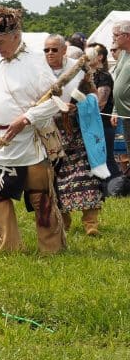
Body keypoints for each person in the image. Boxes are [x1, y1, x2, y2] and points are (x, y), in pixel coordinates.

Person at [0, 6, 65, 254]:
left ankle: (51, 249)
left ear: (16, 36)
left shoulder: (35, 62)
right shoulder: (0, 62)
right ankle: (9, 246)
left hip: (29, 141)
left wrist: (25, 118)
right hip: (2, 142)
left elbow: (54, 102)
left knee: (40, 197)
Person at [44, 35, 105, 236]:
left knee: (86, 175)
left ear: (64, 50)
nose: (50, 53)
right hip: (52, 132)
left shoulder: (79, 69)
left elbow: (95, 96)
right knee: (57, 179)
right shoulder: (40, 72)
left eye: (54, 49)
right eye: (46, 50)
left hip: (79, 131)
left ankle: (91, 223)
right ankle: (64, 221)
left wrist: (78, 106)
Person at [88, 42, 120, 178]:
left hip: (104, 124)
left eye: (88, 54)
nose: (85, 57)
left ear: (99, 57)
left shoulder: (104, 76)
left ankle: (116, 187)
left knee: (107, 158)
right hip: (93, 124)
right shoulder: (90, 75)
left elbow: (100, 103)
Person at [112, 21, 130, 135]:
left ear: (127, 36)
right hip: (125, 116)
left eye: (116, 35)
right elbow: (118, 82)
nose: (113, 39)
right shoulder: (123, 53)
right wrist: (115, 110)